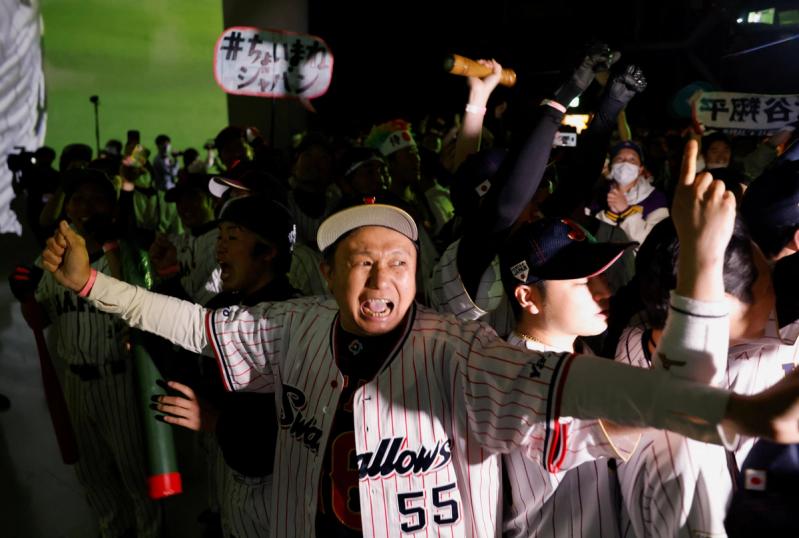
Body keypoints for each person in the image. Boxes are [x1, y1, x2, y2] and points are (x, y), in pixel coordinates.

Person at [40, 144, 799, 537]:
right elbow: (195, 326)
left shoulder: (459, 352)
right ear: (327, 274)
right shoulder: (293, 324)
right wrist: (90, 288)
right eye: (360, 260)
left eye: (397, 260)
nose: (380, 277)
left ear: (414, 270)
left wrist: (726, 401)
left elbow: (619, 395)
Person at [156, 194, 299, 538]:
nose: (220, 249)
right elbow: (187, 365)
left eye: (232, 238)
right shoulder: (225, 305)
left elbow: (273, 441)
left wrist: (215, 420)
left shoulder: (295, 318)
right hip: (233, 482)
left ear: (268, 251)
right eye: (219, 237)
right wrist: (168, 278)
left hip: (283, 490)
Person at [33, 168, 161, 538]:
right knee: (92, 476)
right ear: (67, 207)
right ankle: (112, 531)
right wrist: (27, 294)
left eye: (97, 198)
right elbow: (42, 315)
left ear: (111, 207)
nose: (87, 206)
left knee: (137, 476)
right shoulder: (53, 265)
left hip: (119, 381)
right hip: (75, 382)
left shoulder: (129, 260)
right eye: (79, 199)